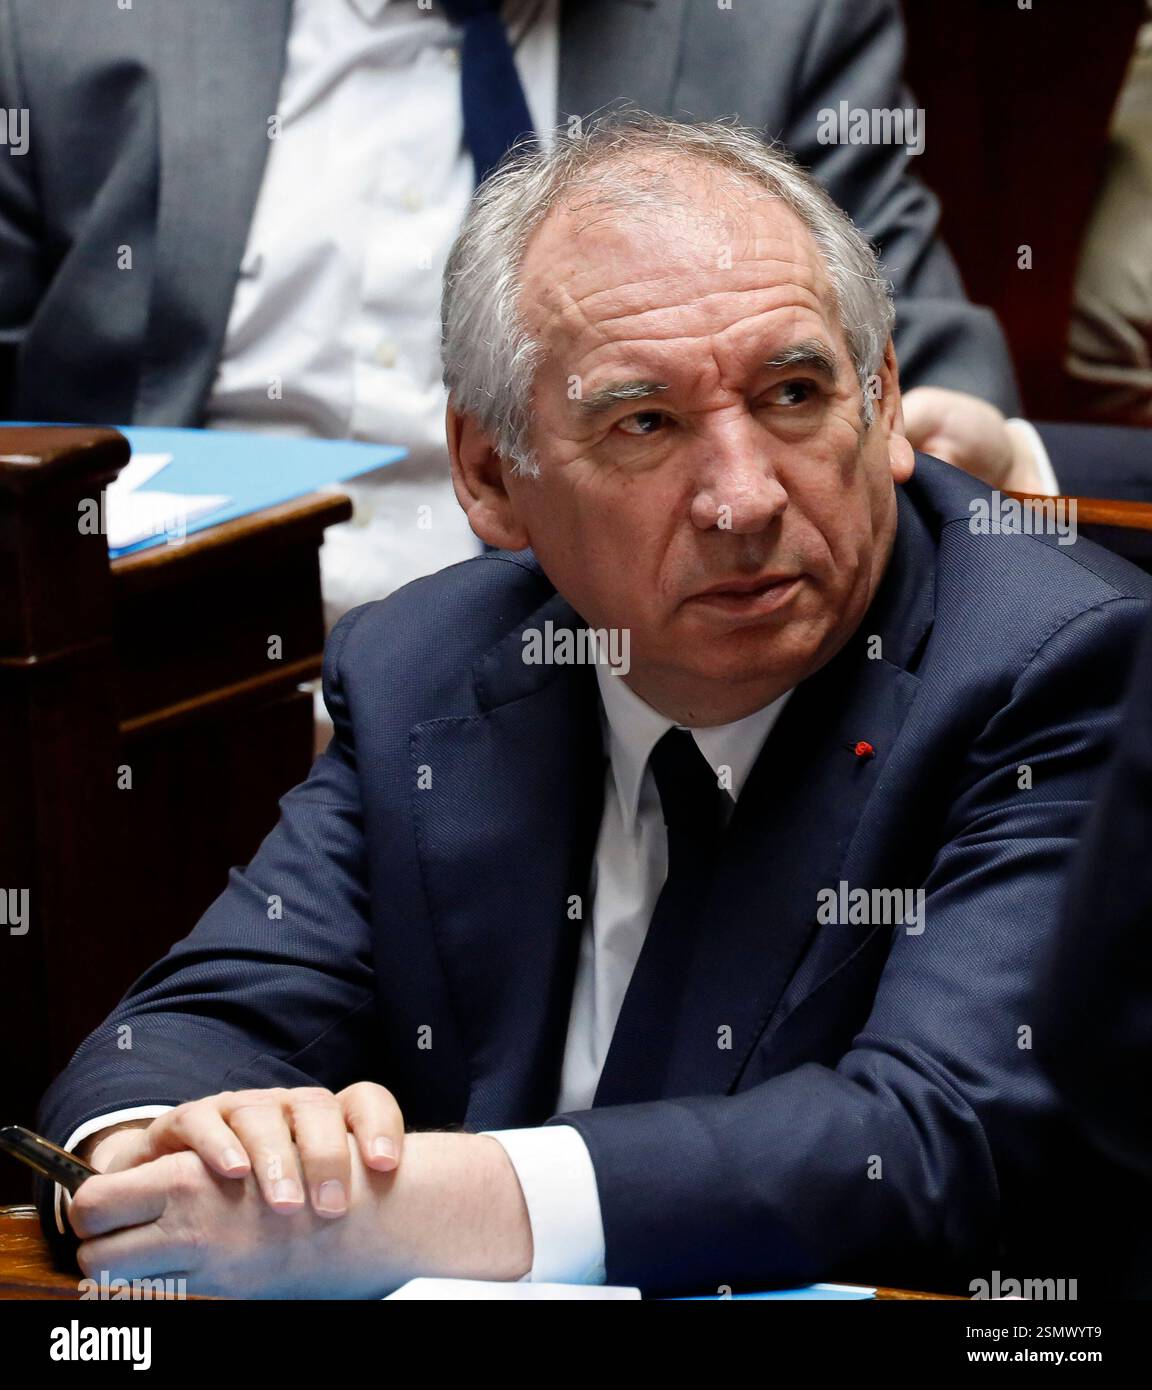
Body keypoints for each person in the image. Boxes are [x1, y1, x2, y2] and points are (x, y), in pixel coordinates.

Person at [36, 116, 1151, 1298]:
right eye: (645, 423)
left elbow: (932, 1142)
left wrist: (403, 1208)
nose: (742, 498)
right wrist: (158, 1150)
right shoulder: (429, 662)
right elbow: (193, 1023)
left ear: (881, 403)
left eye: (793, 393)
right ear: (487, 475)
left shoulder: (1055, 668)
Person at [0, 0, 1022, 623]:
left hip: (626, 691)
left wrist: (941, 437)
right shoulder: (63, 26)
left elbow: (909, 345)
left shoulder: (768, 19)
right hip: (154, 701)